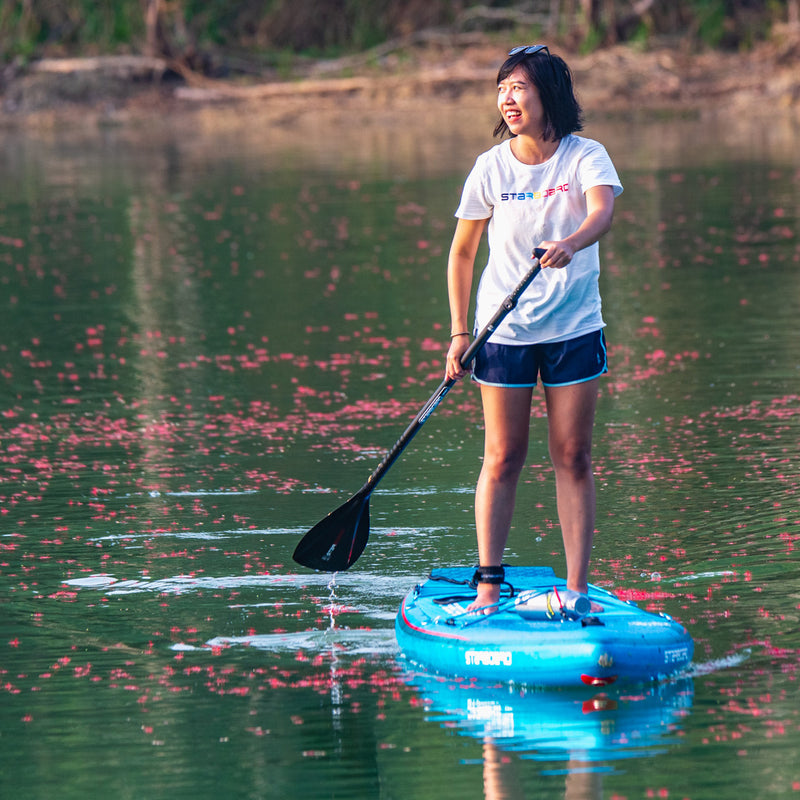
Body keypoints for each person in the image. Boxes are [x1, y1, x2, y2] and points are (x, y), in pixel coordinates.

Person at [444, 45, 622, 614]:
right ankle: (489, 586)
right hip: (504, 331)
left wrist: (572, 242)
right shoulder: (489, 167)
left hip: (573, 327)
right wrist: (457, 334)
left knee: (573, 455)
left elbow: (601, 212)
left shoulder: (584, 155)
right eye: (502, 88)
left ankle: (575, 591)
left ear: (549, 95)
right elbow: (463, 253)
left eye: (519, 87)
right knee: (503, 455)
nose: (507, 98)